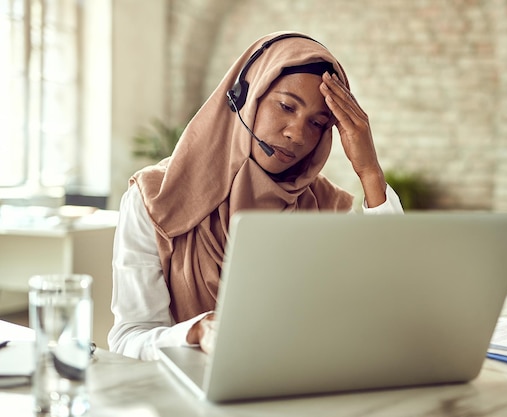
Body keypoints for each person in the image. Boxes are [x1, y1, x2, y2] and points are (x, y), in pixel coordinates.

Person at [108, 31, 404, 360]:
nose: (297, 134)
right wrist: (197, 331)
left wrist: (370, 173)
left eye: (318, 123)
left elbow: (394, 304)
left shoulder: (327, 207)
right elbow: (129, 337)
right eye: (286, 106)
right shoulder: (155, 199)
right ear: (243, 98)